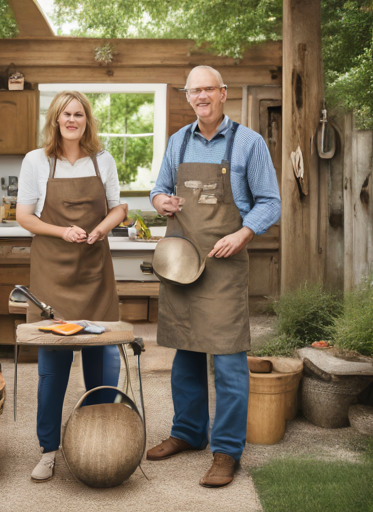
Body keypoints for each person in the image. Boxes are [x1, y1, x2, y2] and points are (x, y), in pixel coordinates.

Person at [147, 66, 281, 487]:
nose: (201, 96)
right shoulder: (178, 141)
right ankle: (188, 433)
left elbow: (271, 203)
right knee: (185, 354)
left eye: (208, 89)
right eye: (194, 91)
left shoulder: (248, 143)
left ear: (223, 94)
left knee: (227, 361)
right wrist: (160, 200)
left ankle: (226, 450)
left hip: (223, 266)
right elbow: (158, 187)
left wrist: (244, 232)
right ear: (188, 97)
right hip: (181, 262)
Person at [16, 91, 128, 483]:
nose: (72, 120)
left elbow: (119, 208)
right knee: (53, 369)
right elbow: (24, 217)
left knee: (102, 364)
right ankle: (48, 449)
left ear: (86, 120)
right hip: (53, 275)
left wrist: (101, 228)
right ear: (55, 119)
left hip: (95, 271)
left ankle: (101, 440)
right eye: (66, 114)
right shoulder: (37, 161)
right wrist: (62, 231)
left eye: (79, 114)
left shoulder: (103, 159)